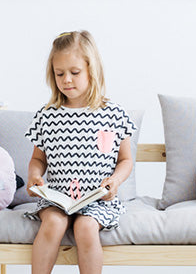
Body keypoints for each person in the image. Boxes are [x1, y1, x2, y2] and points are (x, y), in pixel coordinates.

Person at [24, 30, 137, 274]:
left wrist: (115, 181)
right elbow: (38, 158)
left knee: (86, 228)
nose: (66, 80)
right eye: (59, 73)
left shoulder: (113, 113)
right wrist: (34, 177)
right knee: (53, 223)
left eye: (74, 73)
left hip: (96, 200)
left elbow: (126, 160)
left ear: (91, 70)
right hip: (58, 197)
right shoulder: (47, 115)